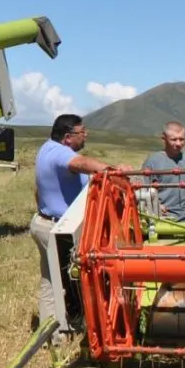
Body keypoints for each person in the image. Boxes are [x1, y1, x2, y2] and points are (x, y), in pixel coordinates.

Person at [32, 113, 116, 334]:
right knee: (55, 282)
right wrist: (113, 172)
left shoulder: (46, 149)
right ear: (68, 137)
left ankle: (71, 321)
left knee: (59, 278)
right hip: (57, 228)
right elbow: (82, 163)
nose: (85, 135)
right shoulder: (61, 153)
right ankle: (53, 335)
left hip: (46, 221)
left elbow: (37, 190)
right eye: (82, 132)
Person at [139, 121, 185, 221]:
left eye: (181, 139)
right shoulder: (152, 162)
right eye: (174, 139)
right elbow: (143, 193)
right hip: (163, 220)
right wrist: (156, 207)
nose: (178, 143)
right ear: (164, 139)